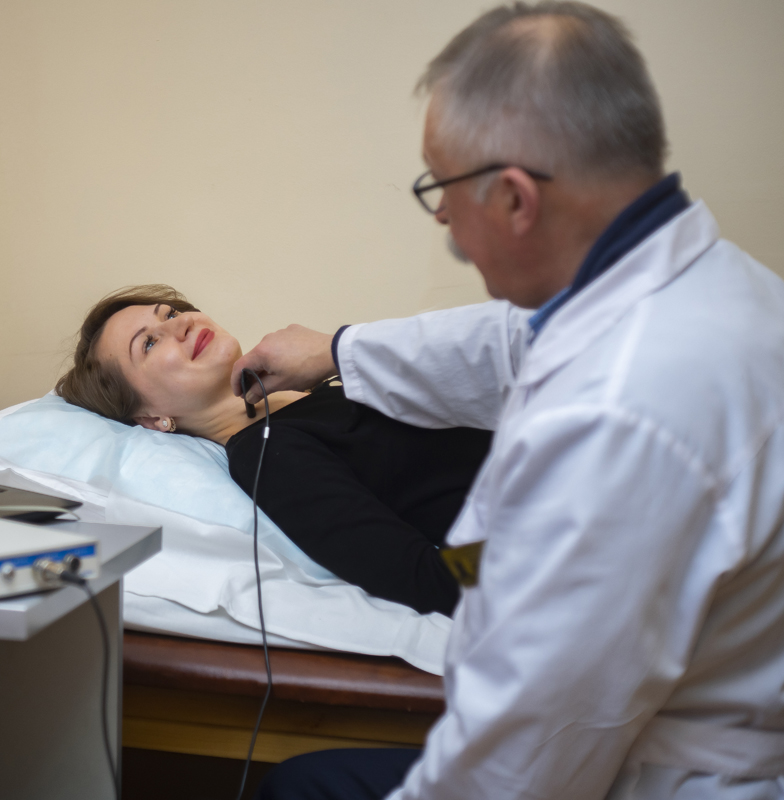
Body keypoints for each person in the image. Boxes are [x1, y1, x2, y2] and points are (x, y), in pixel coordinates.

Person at [231, 2, 784, 799]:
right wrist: (339, 349)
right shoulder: (716, 286)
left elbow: (519, 758)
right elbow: (506, 343)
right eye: (148, 341)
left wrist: (494, 558)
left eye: (440, 187)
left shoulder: (615, 413)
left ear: (517, 200)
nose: (441, 216)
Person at [55, 284, 493, 616]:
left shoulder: (318, 384)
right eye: (149, 343)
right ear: (152, 419)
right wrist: (525, 555)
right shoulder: (267, 452)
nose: (179, 323)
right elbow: (428, 581)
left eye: (170, 313)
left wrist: (336, 351)